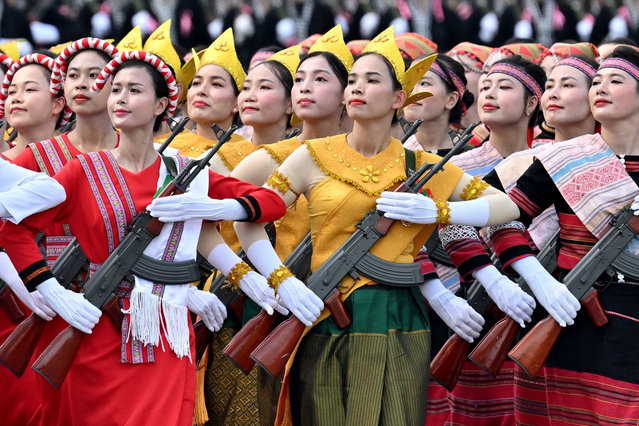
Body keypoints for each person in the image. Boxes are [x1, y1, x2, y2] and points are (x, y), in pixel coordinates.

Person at [234, 26, 519, 425]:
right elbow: (249, 217)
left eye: (372, 81)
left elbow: (505, 206)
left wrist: (437, 213)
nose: (358, 88)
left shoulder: (419, 167)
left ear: (399, 98)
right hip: (327, 313)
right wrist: (281, 278)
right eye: (352, 80)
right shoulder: (310, 156)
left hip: (400, 318)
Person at [0, 50, 286, 426]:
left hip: (167, 333)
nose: (120, 98)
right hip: (97, 328)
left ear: (161, 105)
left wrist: (215, 208)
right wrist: (49, 290)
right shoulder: (82, 171)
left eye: (134, 90)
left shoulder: (184, 174)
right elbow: (13, 230)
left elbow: (271, 202)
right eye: (116, 89)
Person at [486, 45, 639, 425]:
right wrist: (529, 276)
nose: (601, 88)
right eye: (597, 81)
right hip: (568, 313)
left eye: (614, 80)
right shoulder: (558, 161)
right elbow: (496, 219)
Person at [229, 24, 353, 425]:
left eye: (320, 80)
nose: (305, 88)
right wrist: (257, 276)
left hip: (352, 310)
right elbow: (215, 226)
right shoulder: (269, 158)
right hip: (282, 301)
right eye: (299, 79)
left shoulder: (368, 158)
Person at [432, 55, 547, 425]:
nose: (490, 94)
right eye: (485, 87)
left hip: (540, 309)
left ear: (532, 103)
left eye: (505, 86)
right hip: (469, 306)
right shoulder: (455, 169)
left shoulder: (555, 162)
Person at [0, 53, 70, 160]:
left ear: (57, 104)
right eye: (12, 92)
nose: (16, 98)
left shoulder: (79, 164)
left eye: (29, 89)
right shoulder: (3, 166)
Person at [403, 55, 474, 155]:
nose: (412, 92)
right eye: (408, 84)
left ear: (451, 99)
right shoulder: (392, 156)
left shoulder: (475, 160)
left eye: (424, 83)